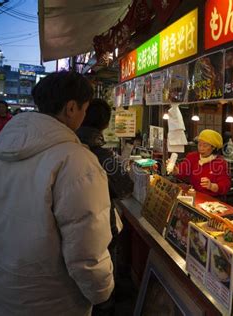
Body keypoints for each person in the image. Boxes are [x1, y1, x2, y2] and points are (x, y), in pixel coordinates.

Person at [0, 71, 114, 315]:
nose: (84, 115)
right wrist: (102, 292)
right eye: (84, 108)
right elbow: (86, 249)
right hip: (51, 299)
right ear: (71, 108)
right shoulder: (77, 160)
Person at [76, 98, 134, 315]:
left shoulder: (65, 148)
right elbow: (125, 188)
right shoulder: (103, 155)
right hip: (100, 225)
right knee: (102, 269)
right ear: (105, 124)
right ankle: (105, 305)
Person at [172, 129, 231, 198]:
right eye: (199, 145)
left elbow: (225, 186)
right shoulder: (192, 157)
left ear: (213, 147)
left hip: (212, 200)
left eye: (205, 146)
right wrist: (176, 171)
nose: (201, 148)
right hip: (195, 195)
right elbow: (183, 172)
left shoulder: (220, 163)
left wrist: (211, 186)